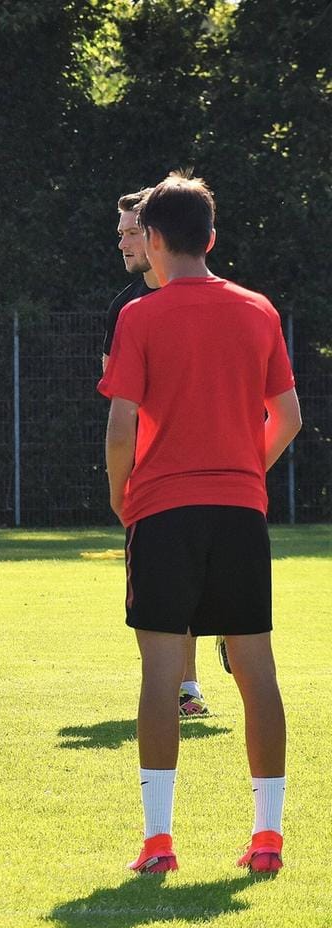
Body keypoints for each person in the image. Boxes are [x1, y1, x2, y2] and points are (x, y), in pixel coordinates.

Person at [99, 172, 299, 875]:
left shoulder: (139, 315)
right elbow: (291, 418)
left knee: (161, 672)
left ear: (152, 240)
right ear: (210, 238)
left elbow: (121, 424)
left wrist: (122, 496)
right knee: (255, 670)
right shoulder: (258, 309)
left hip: (163, 510)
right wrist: (245, 469)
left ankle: (159, 842)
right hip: (240, 508)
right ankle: (267, 838)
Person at [105, 188, 210, 719]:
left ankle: (188, 686)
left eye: (131, 231)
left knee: (204, 584)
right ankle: (178, 685)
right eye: (121, 231)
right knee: (157, 589)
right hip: (149, 472)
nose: (123, 241)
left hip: (199, 468)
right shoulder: (123, 308)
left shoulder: (212, 300)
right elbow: (116, 400)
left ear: (155, 236)